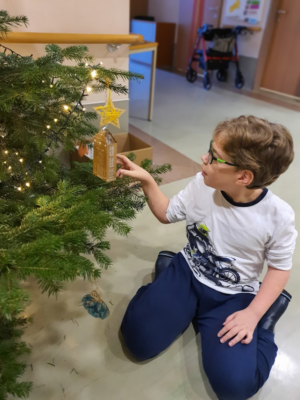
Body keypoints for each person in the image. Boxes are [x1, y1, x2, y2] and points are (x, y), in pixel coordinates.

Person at [116, 116, 297, 400]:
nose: (204, 158)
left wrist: (253, 314)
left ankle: (265, 327)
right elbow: (166, 213)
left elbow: (279, 269)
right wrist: (148, 181)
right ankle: (168, 279)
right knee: (136, 340)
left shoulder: (279, 217)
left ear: (243, 176)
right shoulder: (203, 184)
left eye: (214, 156)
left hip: (233, 295)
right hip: (189, 271)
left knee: (235, 387)